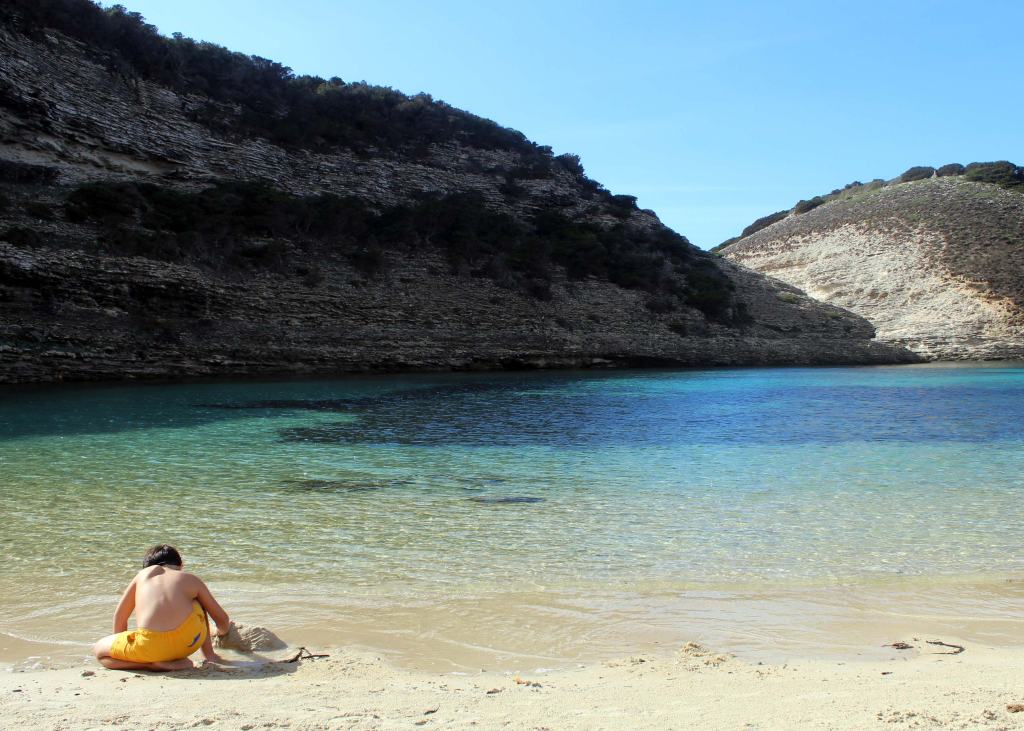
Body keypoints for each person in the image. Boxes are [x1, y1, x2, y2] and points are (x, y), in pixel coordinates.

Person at [92, 545, 231, 671]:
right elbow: (223, 620)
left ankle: (151, 664)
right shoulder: (191, 579)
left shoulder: (143, 575)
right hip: (189, 644)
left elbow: (120, 617)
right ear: (181, 565)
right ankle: (210, 656)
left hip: (151, 647)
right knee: (198, 602)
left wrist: (120, 647)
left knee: (100, 652)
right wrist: (219, 633)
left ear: (146, 567)